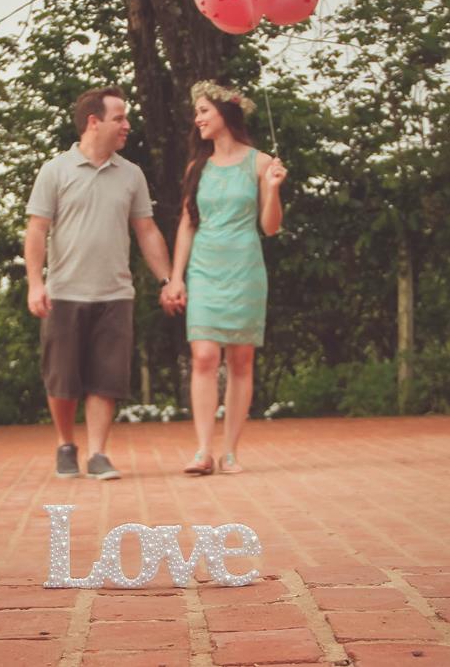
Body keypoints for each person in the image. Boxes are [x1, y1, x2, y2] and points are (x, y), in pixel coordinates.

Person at [25, 86, 178, 480]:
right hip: (63, 292)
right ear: (94, 122)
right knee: (61, 379)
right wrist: (34, 284)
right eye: (119, 118)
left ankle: (97, 454)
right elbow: (37, 230)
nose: (127, 125)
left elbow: (146, 230)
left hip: (115, 294)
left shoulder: (131, 174)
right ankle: (64, 445)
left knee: (106, 379)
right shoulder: (55, 170)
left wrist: (167, 278)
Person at [165, 81, 287, 476]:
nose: (197, 118)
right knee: (203, 356)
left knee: (241, 359)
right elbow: (187, 223)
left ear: (225, 113)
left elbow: (270, 227)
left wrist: (272, 189)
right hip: (204, 268)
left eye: (203, 111)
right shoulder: (196, 167)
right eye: (196, 113)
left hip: (245, 266)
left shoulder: (260, 162)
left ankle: (230, 452)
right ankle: (203, 451)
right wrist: (176, 277)